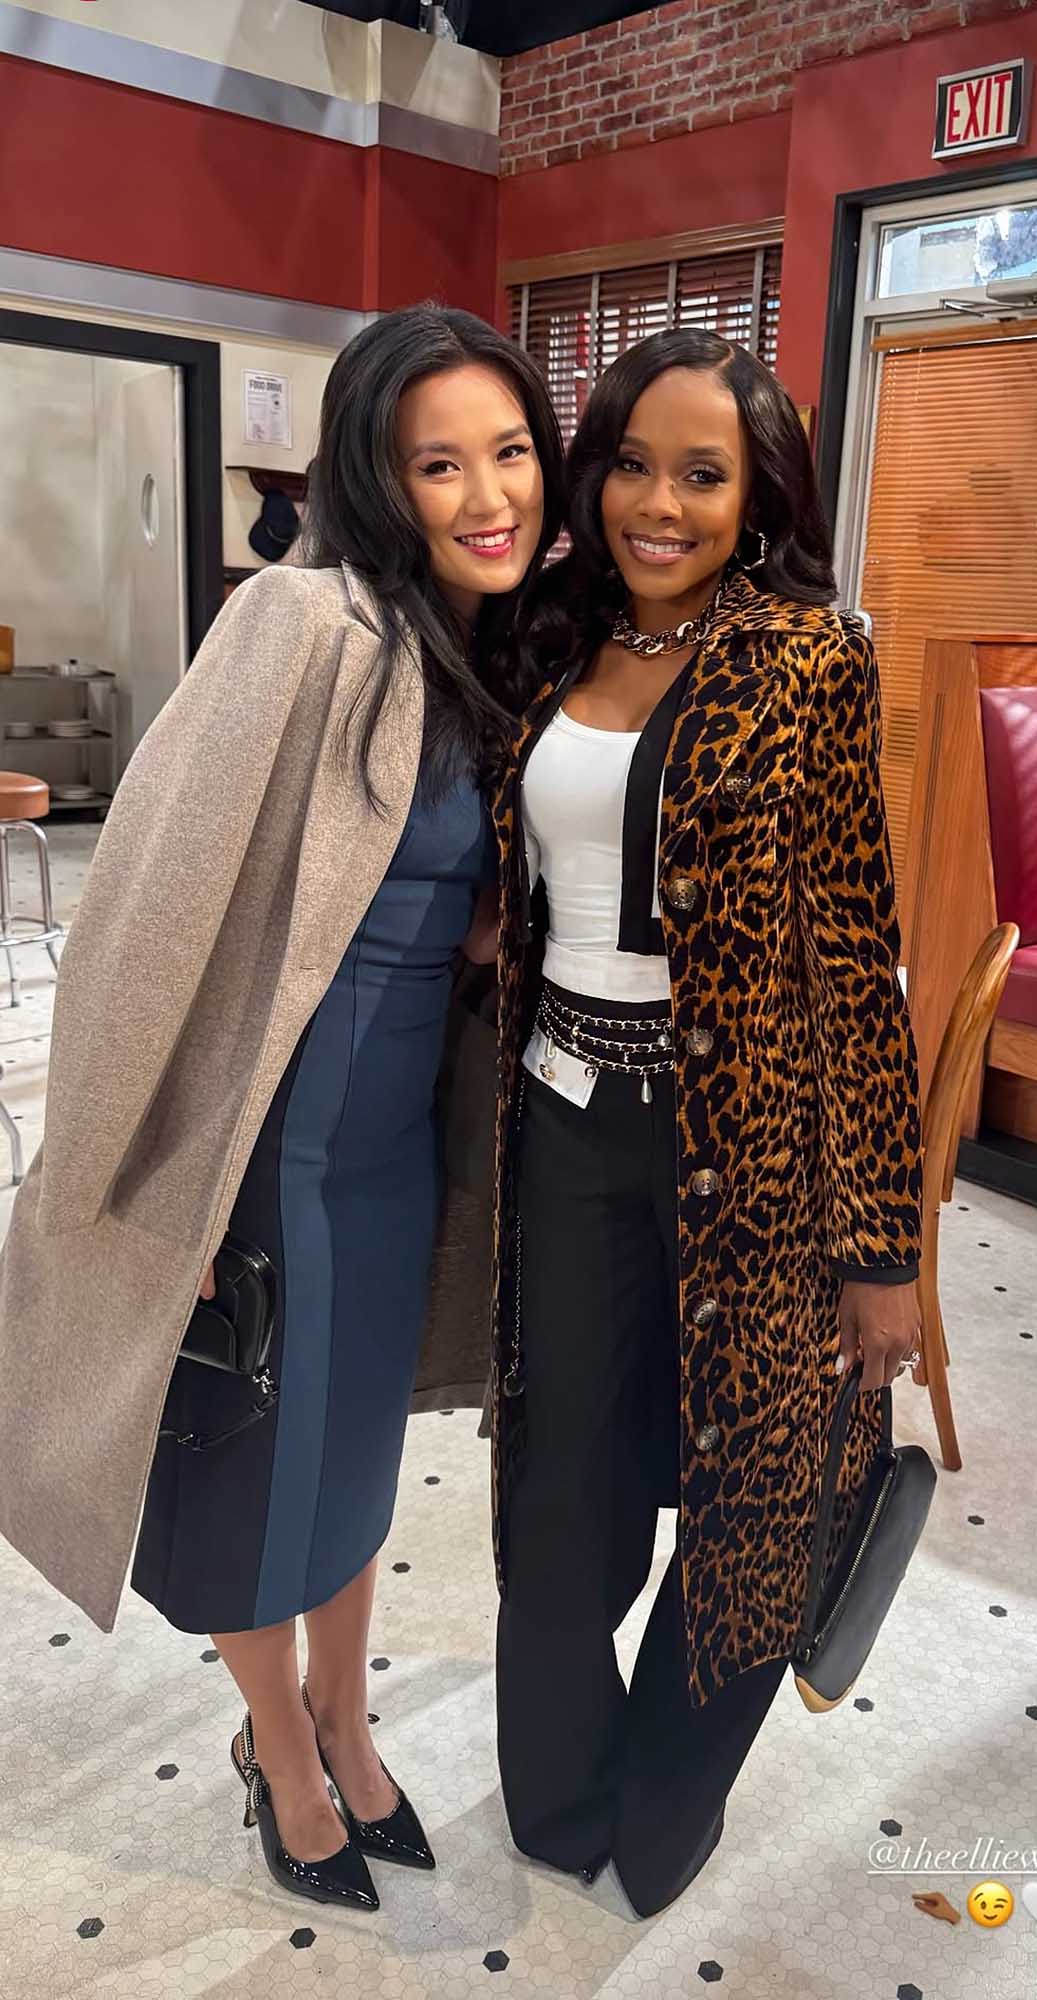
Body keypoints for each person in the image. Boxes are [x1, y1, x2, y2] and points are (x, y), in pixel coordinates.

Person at [0, 304, 564, 1911]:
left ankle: (344, 1711)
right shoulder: (301, 621)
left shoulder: (476, 648)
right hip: (261, 1150)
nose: (486, 495)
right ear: (375, 478)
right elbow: (145, 911)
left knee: (354, 1456)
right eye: (438, 464)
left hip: (395, 1150)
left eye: (509, 453)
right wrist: (139, 1179)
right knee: (256, 1466)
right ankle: (279, 1745)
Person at [486, 327, 924, 1918]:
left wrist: (883, 1247)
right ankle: (557, 1786)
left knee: (750, 1486)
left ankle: (672, 1798)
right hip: (563, 1126)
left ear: (757, 499)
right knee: (556, 1484)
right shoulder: (546, 642)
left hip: (753, 1156)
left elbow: (853, 966)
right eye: (631, 466)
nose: (657, 505)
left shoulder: (806, 659)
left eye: (701, 475)